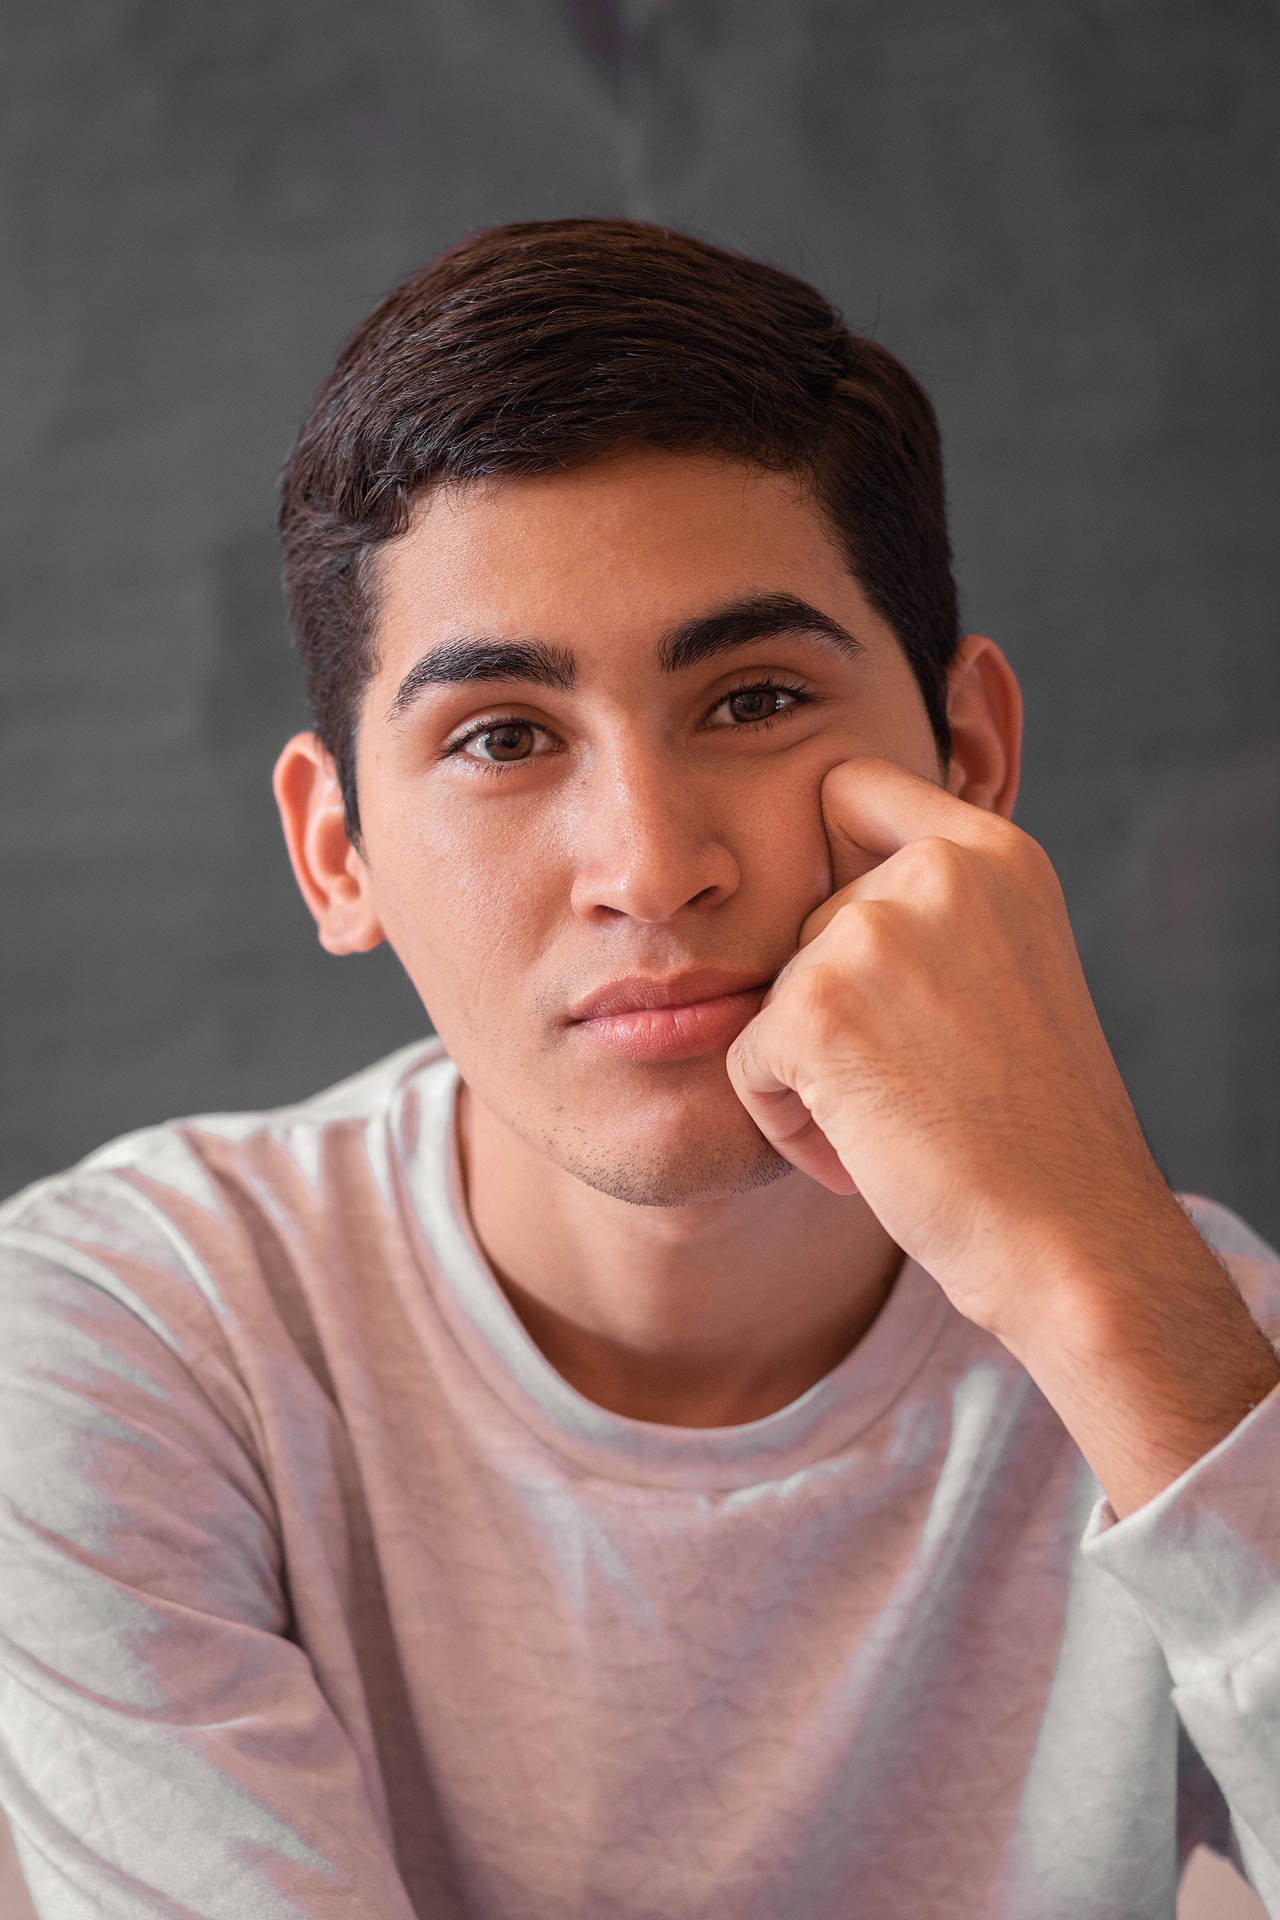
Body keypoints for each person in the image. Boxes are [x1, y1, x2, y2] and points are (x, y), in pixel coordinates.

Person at [0, 219, 1277, 1920]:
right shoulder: (124, 1338)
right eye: (503, 738)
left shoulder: (1202, 1360)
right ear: (337, 853)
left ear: (967, 760)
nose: (651, 864)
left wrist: (1114, 1293)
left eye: (752, 700)